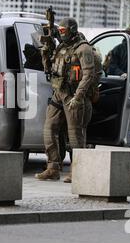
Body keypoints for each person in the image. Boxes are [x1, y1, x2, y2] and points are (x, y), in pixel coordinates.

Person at [35, 18, 95, 183]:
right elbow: (49, 69)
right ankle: (53, 167)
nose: (60, 33)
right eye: (59, 30)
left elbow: (89, 74)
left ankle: (79, 171)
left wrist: (79, 96)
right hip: (58, 92)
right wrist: (45, 52)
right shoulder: (61, 47)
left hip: (73, 95)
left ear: (72, 30)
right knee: (49, 129)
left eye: (63, 30)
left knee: (75, 135)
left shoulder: (83, 49)